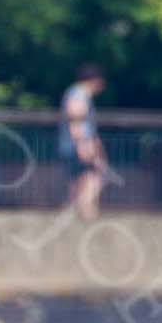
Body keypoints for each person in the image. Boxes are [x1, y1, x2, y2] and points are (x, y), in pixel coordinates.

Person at [59, 64, 107, 219]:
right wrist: (83, 145)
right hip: (78, 145)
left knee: (77, 183)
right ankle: (85, 211)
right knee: (95, 177)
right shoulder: (78, 95)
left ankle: (71, 215)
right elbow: (76, 123)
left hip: (76, 145)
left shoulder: (77, 94)